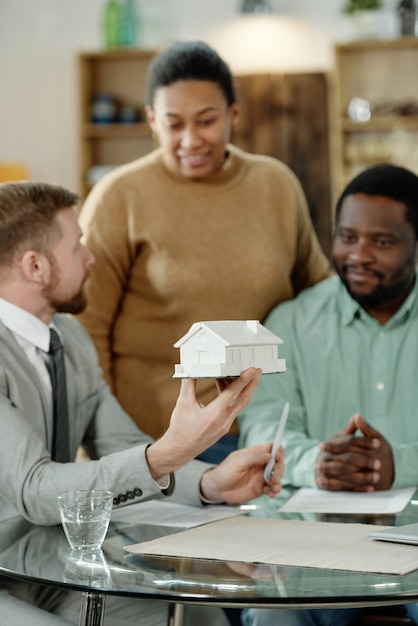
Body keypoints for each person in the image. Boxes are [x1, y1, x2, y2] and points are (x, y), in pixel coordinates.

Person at [0, 180, 285, 626]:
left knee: (198, 616)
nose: (91, 258)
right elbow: (35, 490)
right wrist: (168, 452)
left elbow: (120, 443)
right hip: (4, 577)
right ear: (35, 266)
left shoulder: (70, 337)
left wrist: (209, 481)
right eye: (77, 247)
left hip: (55, 568)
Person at [77, 40, 330, 463]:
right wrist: (109, 447)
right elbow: (85, 331)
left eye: (207, 120)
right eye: (173, 124)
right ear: (152, 121)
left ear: (234, 112)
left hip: (266, 434)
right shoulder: (119, 197)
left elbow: (319, 299)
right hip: (157, 444)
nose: (191, 140)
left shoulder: (276, 185)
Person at [238, 163, 418, 626]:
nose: (359, 255)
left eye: (383, 241)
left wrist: (398, 462)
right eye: (347, 236)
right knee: (271, 612)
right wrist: (316, 462)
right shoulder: (291, 323)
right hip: (313, 538)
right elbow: (261, 428)